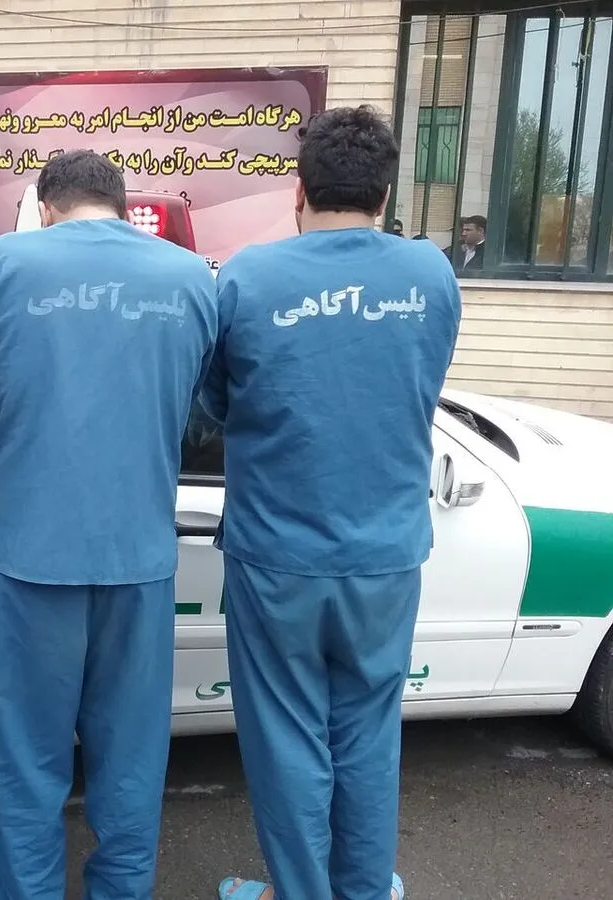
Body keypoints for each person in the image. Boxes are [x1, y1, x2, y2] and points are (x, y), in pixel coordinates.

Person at [0, 150, 219, 900]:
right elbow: (198, 406)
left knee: (22, 759)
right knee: (130, 757)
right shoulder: (190, 278)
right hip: (140, 556)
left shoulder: (2, 264)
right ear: (122, 206)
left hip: (28, 553)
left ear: (46, 207)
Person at [205, 106, 462, 900]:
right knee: (368, 734)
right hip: (385, 556)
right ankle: (363, 889)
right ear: (384, 195)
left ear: (298, 190)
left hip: (275, 557)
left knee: (286, 739)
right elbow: (421, 382)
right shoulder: (430, 276)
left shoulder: (246, 277)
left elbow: (216, 403)